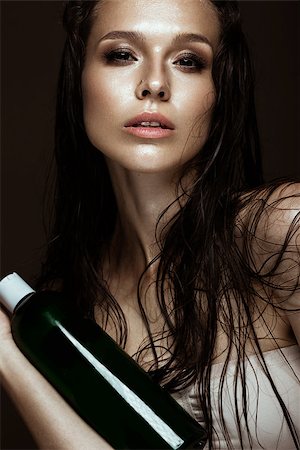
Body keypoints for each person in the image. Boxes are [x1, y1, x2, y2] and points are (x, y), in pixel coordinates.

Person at [0, 0, 299, 449]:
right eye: (122, 54)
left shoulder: (282, 230)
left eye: (188, 61)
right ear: (80, 77)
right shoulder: (66, 314)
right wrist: (7, 354)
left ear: (219, 90)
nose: (155, 84)